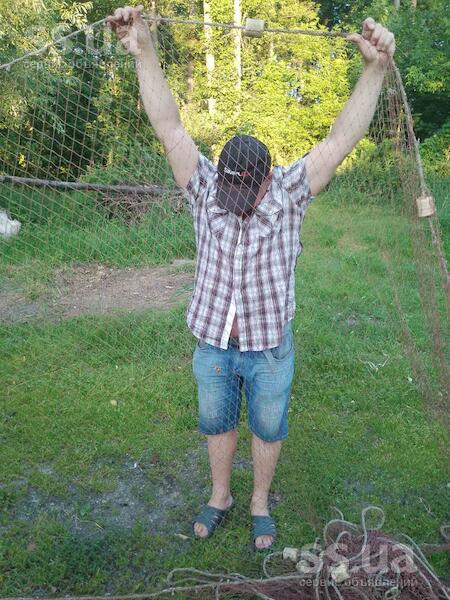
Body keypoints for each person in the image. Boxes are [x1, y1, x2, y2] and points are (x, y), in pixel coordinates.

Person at [106, 6, 395, 550]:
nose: (234, 201)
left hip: (268, 347)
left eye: (246, 192)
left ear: (266, 182)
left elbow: (340, 141)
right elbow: (168, 126)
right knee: (217, 422)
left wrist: (374, 70)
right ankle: (221, 496)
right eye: (229, 190)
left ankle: (259, 501)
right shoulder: (205, 187)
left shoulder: (289, 191)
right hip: (214, 343)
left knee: (267, 426)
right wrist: (142, 48)